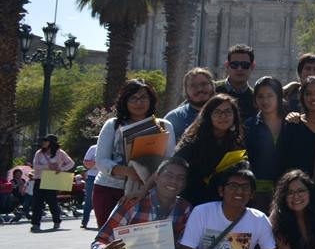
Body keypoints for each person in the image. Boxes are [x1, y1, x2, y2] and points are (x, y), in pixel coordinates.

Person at [94, 80, 176, 227]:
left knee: (141, 243)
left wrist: (146, 184)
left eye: (144, 97)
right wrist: (129, 172)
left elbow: (169, 161)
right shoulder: (113, 125)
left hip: (148, 190)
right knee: (109, 240)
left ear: (151, 100)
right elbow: (101, 161)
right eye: (133, 98)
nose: (139, 102)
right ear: (124, 101)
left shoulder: (164, 126)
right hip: (110, 190)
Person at [175, 95, 247, 206]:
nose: (223, 116)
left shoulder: (236, 142)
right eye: (217, 112)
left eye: (228, 112)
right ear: (209, 116)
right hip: (192, 201)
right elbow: (173, 165)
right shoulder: (193, 141)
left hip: (221, 203)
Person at [245, 76, 286, 210]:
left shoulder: (292, 123)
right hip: (256, 194)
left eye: (270, 96)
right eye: (260, 96)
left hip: (285, 191)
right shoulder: (249, 126)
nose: (265, 101)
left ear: (278, 97)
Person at [29, 135, 74, 232]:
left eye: (46, 141)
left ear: (51, 142)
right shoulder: (39, 153)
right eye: (43, 140)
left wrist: (61, 169)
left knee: (52, 202)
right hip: (39, 179)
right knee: (37, 202)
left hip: (52, 179)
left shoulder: (60, 153)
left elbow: (71, 163)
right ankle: (35, 224)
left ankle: (57, 220)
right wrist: (47, 166)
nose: (43, 142)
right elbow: (35, 165)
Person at [164, 67, 217, 143]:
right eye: (193, 86)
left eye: (204, 84)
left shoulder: (226, 114)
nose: (199, 89)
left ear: (212, 86)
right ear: (186, 91)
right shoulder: (174, 118)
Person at [215, 44, 257, 122]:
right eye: (234, 64)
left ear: (253, 66)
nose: (239, 69)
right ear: (227, 65)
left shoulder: (256, 99)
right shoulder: (211, 90)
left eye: (245, 65)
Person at [80, 143, 99, 229]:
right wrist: (97, 162)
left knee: (104, 199)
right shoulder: (93, 148)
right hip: (92, 176)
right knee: (88, 199)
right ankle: (85, 221)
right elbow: (86, 162)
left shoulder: (111, 147)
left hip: (106, 176)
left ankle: (102, 222)